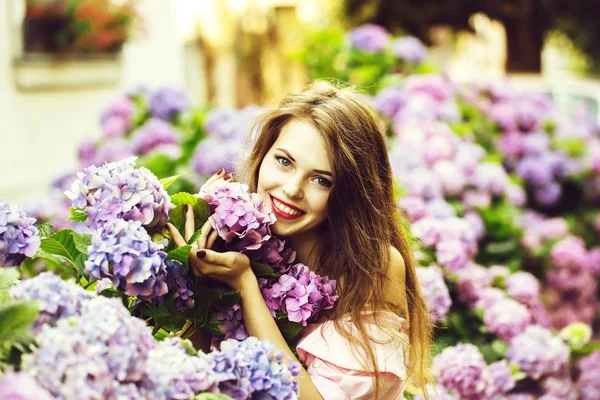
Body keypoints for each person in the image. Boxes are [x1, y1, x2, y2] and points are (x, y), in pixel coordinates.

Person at [168, 81, 433, 399]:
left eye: (321, 180)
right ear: (263, 154)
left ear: (350, 193)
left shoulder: (375, 266)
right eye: (284, 161)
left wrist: (246, 285)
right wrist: (192, 269)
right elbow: (190, 374)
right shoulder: (235, 237)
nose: (292, 189)